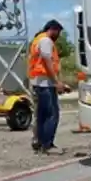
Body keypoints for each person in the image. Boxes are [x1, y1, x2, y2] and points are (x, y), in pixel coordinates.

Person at [28, 19, 69, 154]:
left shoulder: (38, 39)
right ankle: (47, 144)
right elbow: (47, 62)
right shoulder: (46, 41)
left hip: (39, 83)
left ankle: (40, 143)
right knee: (52, 115)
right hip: (45, 84)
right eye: (58, 32)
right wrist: (56, 82)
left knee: (42, 115)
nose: (58, 36)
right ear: (53, 29)